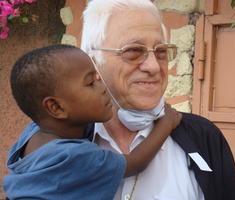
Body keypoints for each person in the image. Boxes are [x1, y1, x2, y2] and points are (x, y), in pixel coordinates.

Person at [80, 0, 235, 200]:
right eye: (133, 51)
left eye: (161, 52)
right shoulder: (61, 139)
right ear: (93, 60)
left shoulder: (204, 137)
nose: (153, 67)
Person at [3, 44, 181, 200]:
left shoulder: (32, 133)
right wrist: (166, 123)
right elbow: (135, 163)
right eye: (90, 83)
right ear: (56, 107)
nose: (103, 87)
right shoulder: (75, 156)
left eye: (98, 77)